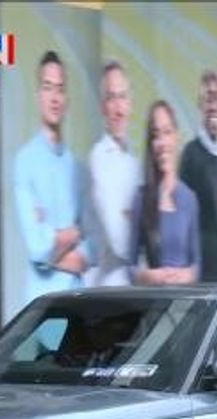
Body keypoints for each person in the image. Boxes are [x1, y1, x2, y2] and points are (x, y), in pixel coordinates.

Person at [13, 50, 88, 309]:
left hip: (79, 304)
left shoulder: (77, 168)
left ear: (66, 99)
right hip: (43, 311)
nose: (54, 97)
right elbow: (37, 247)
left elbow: (90, 251)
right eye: (48, 88)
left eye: (60, 89)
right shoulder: (25, 161)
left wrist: (53, 245)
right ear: (38, 96)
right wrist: (75, 233)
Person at [129, 101, 200, 286]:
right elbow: (130, 267)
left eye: (167, 132)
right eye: (156, 135)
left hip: (185, 304)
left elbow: (197, 265)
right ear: (151, 144)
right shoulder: (141, 198)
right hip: (153, 303)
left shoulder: (189, 199)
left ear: (176, 136)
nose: (162, 142)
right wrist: (150, 276)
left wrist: (185, 275)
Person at [85, 61, 140, 287]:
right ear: (102, 107)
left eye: (122, 97)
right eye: (111, 98)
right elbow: (119, 240)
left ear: (130, 104)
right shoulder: (99, 159)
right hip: (111, 288)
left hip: (134, 287)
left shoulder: (134, 163)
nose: (118, 109)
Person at [178, 69, 217, 283]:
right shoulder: (190, 156)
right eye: (207, 97)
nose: (213, 104)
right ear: (200, 106)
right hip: (201, 279)